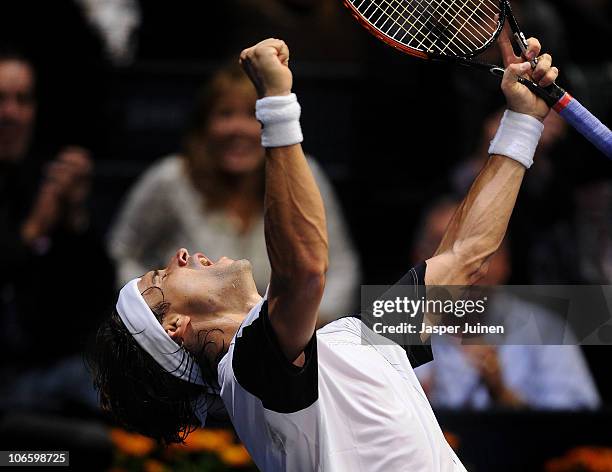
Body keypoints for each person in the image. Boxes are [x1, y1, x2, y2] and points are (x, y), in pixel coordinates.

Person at [90, 32, 560, 471]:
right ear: (174, 327)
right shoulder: (248, 372)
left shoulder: (348, 345)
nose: (181, 255)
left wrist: (521, 120)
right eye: (161, 277)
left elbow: (464, 256)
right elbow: (305, 269)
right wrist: (274, 104)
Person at [109, 63, 360, 323]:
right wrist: (161, 311)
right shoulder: (171, 178)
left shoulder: (303, 175)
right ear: (204, 126)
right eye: (225, 114)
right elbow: (122, 254)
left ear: (274, 121)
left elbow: (341, 264)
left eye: (253, 114)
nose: (239, 128)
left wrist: (302, 328)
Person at [0, 49, 114, 412]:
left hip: (53, 364)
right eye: (0, 99)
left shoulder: (45, 174)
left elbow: (98, 291)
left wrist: (75, 217)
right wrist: (34, 229)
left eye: (22, 100)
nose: (11, 114)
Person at [413, 197, 600, 410]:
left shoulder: (545, 331)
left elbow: (580, 430)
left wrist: (503, 396)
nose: (467, 266)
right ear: (419, 258)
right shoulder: (388, 337)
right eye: (446, 248)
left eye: (482, 251)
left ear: (505, 262)